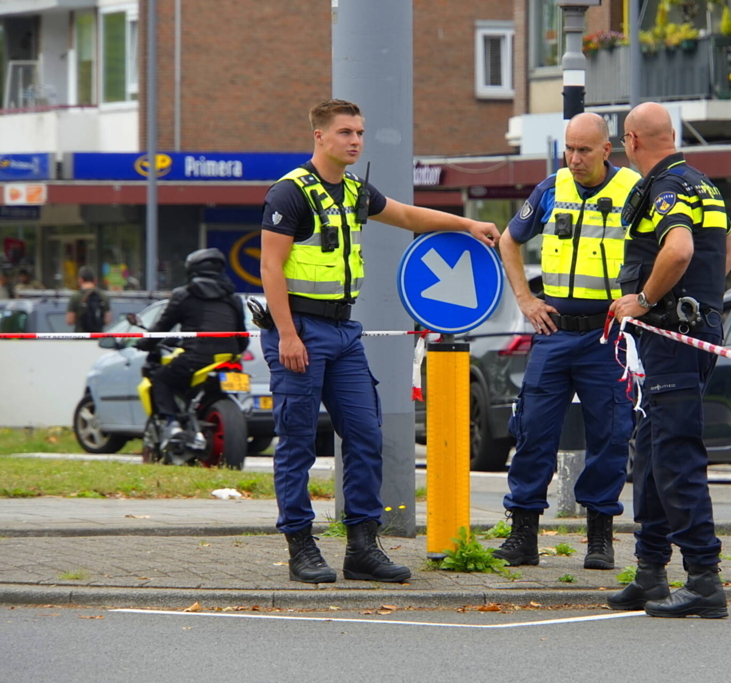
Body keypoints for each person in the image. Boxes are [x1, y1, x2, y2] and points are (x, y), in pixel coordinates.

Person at [260, 99, 500, 585]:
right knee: (299, 446)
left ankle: (362, 548)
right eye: (346, 132)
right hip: (300, 331)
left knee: (367, 437)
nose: (355, 141)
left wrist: (467, 224)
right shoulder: (290, 193)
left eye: (361, 133)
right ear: (320, 137)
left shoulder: (353, 191)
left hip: (344, 332)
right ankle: (300, 547)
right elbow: (270, 267)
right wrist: (286, 333)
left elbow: (409, 216)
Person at [607, 102, 731, 619]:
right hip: (691, 329)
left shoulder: (663, 188)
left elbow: (680, 249)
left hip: (668, 334)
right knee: (649, 447)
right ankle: (650, 572)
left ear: (631, 141)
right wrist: (700, 299)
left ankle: (703, 578)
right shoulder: (702, 183)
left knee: (673, 453)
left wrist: (645, 299)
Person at [493, 112, 641, 570]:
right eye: (568, 150)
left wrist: (645, 299)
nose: (574, 159)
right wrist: (525, 299)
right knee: (533, 430)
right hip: (554, 332)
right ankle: (523, 536)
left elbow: (662, 247)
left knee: (610, 435)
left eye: (583, 150)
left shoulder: (633, 191)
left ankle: (600, 537)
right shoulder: (550, 189)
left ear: (605, 151)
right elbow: (508, 241)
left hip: (607, 333)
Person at [136, 248, 248, 447]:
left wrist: (144, 343)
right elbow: (243, 336)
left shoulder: (184, 295)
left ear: (192, 270)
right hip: (228, 359)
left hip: (197, 357)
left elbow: (160, 329)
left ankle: (172, 425)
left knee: (161, 378)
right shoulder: (233, 298)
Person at [66, 266, 112, 332]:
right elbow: (108, 320)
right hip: (97, 338)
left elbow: (70, 321)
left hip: (80, 338)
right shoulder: (103, 296)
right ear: (95, 280)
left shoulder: (75, 297)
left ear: (80, 280)